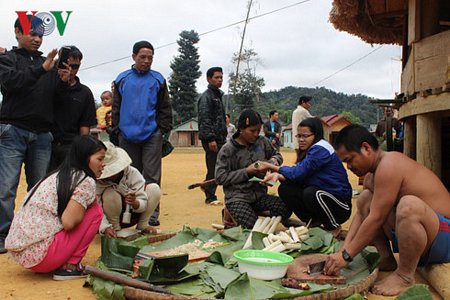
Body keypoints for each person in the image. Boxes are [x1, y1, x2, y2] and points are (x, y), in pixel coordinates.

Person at [324, 124, 450, 296]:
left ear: (366, 148)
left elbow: (376, 218)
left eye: (350, 159)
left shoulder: (390, 164)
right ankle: (386, 258)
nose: (349, 167)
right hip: (426, 236)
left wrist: (347, 256)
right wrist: (342, 251)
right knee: (366, 199)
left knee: (408, 205)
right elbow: (363, 214)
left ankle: (405, 275)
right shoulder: (371, 176)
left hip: (444, 235)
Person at [0, 15, 71, 253]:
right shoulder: (6, 59)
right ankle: (3, 234)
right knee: (6, 188)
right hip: (13, 130)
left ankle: (31, 231)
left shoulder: (49, 64)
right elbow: (12, 83)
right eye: (32, 34)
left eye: (41, 35)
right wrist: (41, 69)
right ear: (18, 33)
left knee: (39, 188)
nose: (37, 39)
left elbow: (56, 100)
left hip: (42, 135)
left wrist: (62, 81)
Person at [4, 135, 106, 280]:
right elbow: (68, 222)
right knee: (95, 211)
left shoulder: (59, 175)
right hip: (43, 255)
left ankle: (60, 261)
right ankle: (70, 267)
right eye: (100, 159)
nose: (103, 164)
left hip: (25, 255)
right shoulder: (85, 180)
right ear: (85, 158)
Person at [112, 41, 172, 227]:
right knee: (129, 178)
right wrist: (117, 130)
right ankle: (131, 215)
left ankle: (151, 215)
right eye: (142, 57)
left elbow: (165, 108)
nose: (146, 61)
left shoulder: (158, 80)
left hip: (151, 136)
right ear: (133, 57)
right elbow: (116, 108)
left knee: (152, 178)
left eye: (150, 58)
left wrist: (161, 130)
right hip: (127, 137)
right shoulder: (122, 79)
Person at [258, 117, 352, 236]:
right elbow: (301, 176)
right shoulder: (310, 150)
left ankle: (333, 226)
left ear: (316, 135)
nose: (301, 140)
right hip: (323, 199)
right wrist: (278, 176)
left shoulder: (320, 149)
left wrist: (269, 166)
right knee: (286, 189)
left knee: (312, 193)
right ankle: (313, 221)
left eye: (305, 136)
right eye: (299, 136)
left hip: (339, 206)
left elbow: (297, 173)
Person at [215, 109, 291, 229]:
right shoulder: (227, 149)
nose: (256, 134)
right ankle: (230, 210)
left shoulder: (262, 142)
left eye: (258, 130)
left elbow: (277, 155)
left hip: (259, 196)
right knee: (252, 226)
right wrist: (247, 172)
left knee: (286, 208)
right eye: (252, 131)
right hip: (237, 197)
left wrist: (271, 163)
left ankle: (248, 212)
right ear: (241, 129)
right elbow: (220, 178)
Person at [97, 142, 160, 237]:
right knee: (110, 193)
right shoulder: (96, 181)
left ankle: (143, 225)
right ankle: (115, 228)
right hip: (109, 219)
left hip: (133, 214)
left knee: (154, 188)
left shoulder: (132, 173)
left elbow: (143, 202)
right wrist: (105, 227)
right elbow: (96, 209)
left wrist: (135, 203)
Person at [50, 46, 97, 171]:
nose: (70, 70)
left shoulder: (85, 93)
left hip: (71, 146)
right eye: (66, 65)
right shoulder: (48, 84)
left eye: (75, 67)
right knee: (41, 184)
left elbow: (85, 126)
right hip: (46, 143)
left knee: (70, 184)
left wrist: (82, 150)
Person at [198, 67, 227, 205]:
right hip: (212, 139)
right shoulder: (206, 97)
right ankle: (210, 195)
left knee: (220, 166)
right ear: (209, 79)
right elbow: (205, 119)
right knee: (214, 167)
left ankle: (206, 186)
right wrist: (210, 139)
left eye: (221, 77)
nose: (220, 80)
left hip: (220, 138)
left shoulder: (217, 96)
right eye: (217, 77)